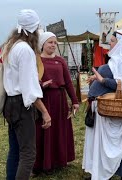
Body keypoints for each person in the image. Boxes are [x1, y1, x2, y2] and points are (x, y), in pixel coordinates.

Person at [82, 30, 122, 180]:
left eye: (112, 41)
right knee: (107, 145)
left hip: (116, 110)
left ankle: (121, 175)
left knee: (119, 143)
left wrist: (102, 80)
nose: (108, 44)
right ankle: (105, 173)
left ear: (121, 43)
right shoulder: (119, 60)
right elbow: (116, 77)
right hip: (106, 110)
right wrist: (98, 78)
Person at [2, 9, 51, 180]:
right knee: (28, 154)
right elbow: (29, 90)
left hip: (11, 103)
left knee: (16, 150)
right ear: (34, 29)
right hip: (21, 105)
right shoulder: (25, 50)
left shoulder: (11, 46)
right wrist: (45, 112)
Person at [33, 32, 79, 174]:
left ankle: (59, 159)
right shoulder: (37, 60)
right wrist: (41, 84)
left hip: (60, 100)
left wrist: (75, 101)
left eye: (55, 42)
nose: (53, 45)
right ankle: (43, 162)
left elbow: (69, 82)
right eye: (50, 42)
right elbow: (31, 80)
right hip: (44, 100)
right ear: (42, 44)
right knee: (44, 130)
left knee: (59, 130)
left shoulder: (61, 61)